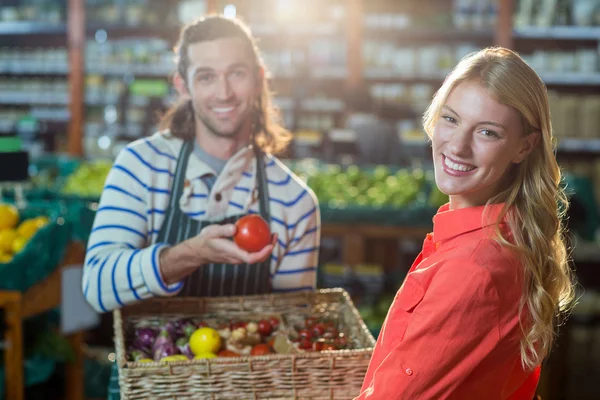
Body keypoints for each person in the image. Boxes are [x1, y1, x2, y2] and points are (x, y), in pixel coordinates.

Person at [80, 15, 320, 399]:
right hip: (149, 387)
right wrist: (186, 255)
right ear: (183, 85)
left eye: (236, 74)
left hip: (247, 391)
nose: (223, 92)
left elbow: (289, 330)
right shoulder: (140, 166)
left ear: (259, 78)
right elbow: (95, 287)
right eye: (206, 76)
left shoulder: (294, 201)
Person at [355, 47, 575, 399]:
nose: (457, 147)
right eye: (451, 119)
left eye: (487, 132)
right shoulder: (501, 236)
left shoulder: (473, 270)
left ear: (524, 147)